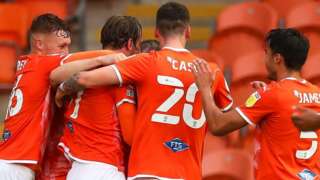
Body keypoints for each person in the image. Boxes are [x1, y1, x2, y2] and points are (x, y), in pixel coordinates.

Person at [55, 2, 232, 179]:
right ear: (189, 31)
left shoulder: (145, 62)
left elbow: (80, 78)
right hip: (187, 172)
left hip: (145, 171)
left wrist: (62, 90)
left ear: (156, 32)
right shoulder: (211, 70)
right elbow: (225, 122)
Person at [192, 28, 320, 179]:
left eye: (266, 52)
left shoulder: (273, 94)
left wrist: (205, 88)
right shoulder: (316, 93)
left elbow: (218, 125)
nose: (264, 58)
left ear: (277, 58)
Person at [49, 16, 141, 180]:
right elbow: (130, 135)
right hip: (103, 166)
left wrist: (62, 90)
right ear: (130, 44)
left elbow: (54, 76)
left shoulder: (82, 62)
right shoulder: (120, 75)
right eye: (138, 45)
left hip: (77, 167)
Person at [0, 13, 71, 180]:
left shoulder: (27, 64)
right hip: (15, 167)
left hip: (9, 162)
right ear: (39, 44)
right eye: (62, 46)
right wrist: (112, 56)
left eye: (68, 46)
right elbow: (76, 61)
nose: (66, 52)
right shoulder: (41, 64)